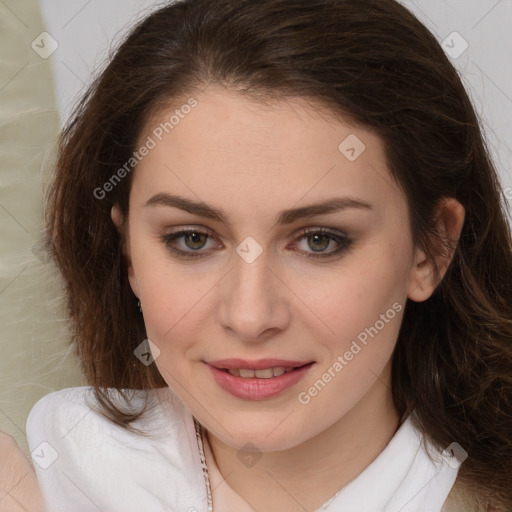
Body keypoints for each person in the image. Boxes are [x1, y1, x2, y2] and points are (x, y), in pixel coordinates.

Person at [24, 0, 512, 510]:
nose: (250, 316)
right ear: (129, 253)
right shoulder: (47, 474)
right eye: (192, 239)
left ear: (430, 250)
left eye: (319, 240)